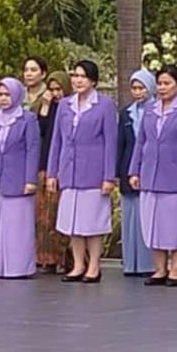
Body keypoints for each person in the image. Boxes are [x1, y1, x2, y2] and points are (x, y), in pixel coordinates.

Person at [129, 64, 177, 288]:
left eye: (167, 83)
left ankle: (175, 269)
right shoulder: (150, 110)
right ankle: (160, 269)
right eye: (160, 83)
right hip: (151, 175)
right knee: (154, 224)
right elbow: (141, 141)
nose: (162, 88)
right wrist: (134, 170)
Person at [47, 60, 118, 283]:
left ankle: (94, 266)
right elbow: (56, 141)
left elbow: (110, 142)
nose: (78, 80)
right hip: (70, 171)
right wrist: (52, 172)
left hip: (93, 173)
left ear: (93, 80)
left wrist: (108, 176)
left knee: (93, 224)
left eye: (83, 76)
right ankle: (78, 264)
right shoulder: (65, 105)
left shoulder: (104, 105)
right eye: (75, 75)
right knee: (73, 223)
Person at [0, 78, 40, 279]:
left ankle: (18, 267)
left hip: (18, 180)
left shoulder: (28, 119)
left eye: (7, 94)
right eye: (0, 95)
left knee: (17, 226)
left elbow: (33, 150)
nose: (3, 99)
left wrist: (30, 179)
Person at [117, 70, 157, 277]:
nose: (138, 92)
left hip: (149, 167)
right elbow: (121, 144)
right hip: (128, 168)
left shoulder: (158, 111)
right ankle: (130, 263)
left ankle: (148, 264)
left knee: (146, 216)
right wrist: (118, 172)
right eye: (134, 88)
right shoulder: (126, 113)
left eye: (142, 87)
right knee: (130, 216)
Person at [36, 71, 73, 274]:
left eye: (59, 89)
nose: (56, 94)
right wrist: (45, 106)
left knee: (62, 214)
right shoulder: (50, 109)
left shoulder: (71, 110)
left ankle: (68, 258)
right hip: (45, 165)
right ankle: (48, 259)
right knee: (45, 216)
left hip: (64, 167)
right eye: (52, 90)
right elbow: (40, 131)